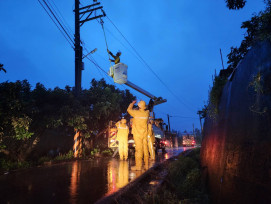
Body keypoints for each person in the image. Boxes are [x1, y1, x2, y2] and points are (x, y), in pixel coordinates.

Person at [127, 100, 149, 171]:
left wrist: (132, 103)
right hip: (144, 133)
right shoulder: (147, 113)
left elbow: (128, 110)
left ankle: (138, 166)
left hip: (137, 133)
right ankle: (146, 165)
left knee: (138, 150)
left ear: (139, 106)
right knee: (145, 149)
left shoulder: (136, 113)